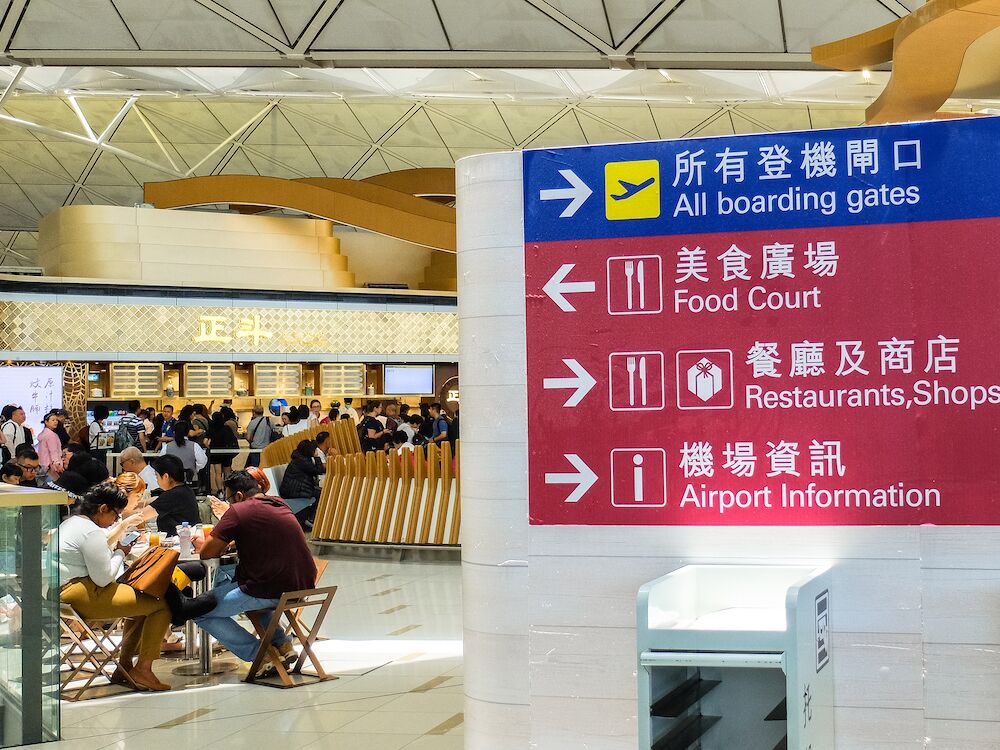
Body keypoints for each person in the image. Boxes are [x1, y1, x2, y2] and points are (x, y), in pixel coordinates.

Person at [196, 471, 316, 670]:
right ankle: (282, 644)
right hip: (302, 584)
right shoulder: (279, 503)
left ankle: (260, 655)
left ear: (240, 496)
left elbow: (207, 552)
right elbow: (266, 534)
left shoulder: (238, 510)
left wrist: (222, 534)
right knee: (250, 595)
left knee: (199, 610)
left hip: (270, 588)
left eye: (230, 499)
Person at [59, 484, 172, 691]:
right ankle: (144, 669)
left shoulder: (71, 523)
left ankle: (126, 665)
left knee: (141, 605)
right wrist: (120, 552)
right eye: (116, 515)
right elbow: (104, 579)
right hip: (81, 593)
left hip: (62, 594)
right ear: (103, 509)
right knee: (160, 604)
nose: (117, 520)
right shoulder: (91, 532)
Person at [143, 455, 201, 534]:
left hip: (179, 540)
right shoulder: (185, 490)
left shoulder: (172, 495)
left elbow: (141, 516)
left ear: (165, 476)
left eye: (157, 476)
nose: (156, 480)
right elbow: (158, 500)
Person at [279, 439, 324, 527]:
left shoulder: (300, 458)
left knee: (321, 492)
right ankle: (310, 519)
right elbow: (319, 470)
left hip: (295, 488)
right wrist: (317, 457)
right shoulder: (302, 461)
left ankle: (311, 518)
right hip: (294, 490)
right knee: (320, 494)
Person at [206, 412, 237, 493]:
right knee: (227, 473)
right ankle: (228, 491)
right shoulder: (227, 428)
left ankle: (220, 491)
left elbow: (205, 441)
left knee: (218, 473)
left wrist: (210, 448)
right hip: (226, 453)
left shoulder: (211, 429)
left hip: (215, 454)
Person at [35, 411, 64, 483]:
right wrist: (57, 463)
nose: (55, 422)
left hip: (43, 463)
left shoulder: (43, 433)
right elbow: (53, 451)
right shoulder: (51, 435)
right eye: (53, 420)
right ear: (46, 422)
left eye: (56, 420)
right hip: (50, 464)